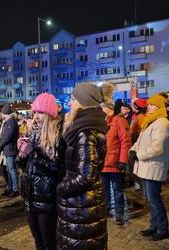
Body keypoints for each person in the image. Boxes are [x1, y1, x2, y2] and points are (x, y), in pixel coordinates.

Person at [57, 82, 108, 249]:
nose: (69, 103)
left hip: (82, 207)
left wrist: (60, 188)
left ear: (83, 102)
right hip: (81, 204)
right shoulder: (84, 127)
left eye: (73, 99)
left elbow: (85, 177)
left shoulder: (85, 133)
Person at [18, 93, 65, 250]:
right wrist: (22, 154)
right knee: (37, 240)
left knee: (49, 242)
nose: (36, 116)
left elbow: (58, 169)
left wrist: (35, 153)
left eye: (40, 112)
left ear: (49, 113)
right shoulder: (32, 131)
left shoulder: (58, 134)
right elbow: (25, 166)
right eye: (35, 112)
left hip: (46, 197)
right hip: (30, 195)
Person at [129, 93, 169, 241]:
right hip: (147, 166)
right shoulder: (151, 121)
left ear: (160, 106)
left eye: (153, 105)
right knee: (151, 199)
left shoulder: (161, 122)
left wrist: (139, 154)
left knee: (155, 200)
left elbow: (157, 148)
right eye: (148, 105)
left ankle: (162, 229)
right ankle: (154, 226)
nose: (149, 107)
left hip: (154, 166)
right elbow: (141, 141)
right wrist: (133, 150)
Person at [101, 100, 131, 225]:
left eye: (102, 107)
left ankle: (119, 214)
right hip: (103, 162)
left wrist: (123, 160)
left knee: (117, 189)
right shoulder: (103, 121)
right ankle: (105, 210)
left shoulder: (119, 121)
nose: (101, 109)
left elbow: (126, 142)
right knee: (104, 189)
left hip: (114, 162)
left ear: (109, 108)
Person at [0, 104, 19, 198]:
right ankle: (10, 187)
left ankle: (15, 189)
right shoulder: (8, 122)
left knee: (11, 169)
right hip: (7, 149)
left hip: (10, 149)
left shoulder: (11, 122)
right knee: (8, 169)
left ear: (4, 113)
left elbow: (7, 137)